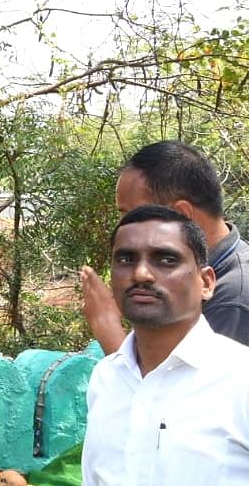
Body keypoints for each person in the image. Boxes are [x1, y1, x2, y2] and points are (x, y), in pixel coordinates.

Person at [78, 204, 249, 486]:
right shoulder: (107, 379)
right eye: (126, 259)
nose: (141, 273)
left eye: (166, 259)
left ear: (206, 283)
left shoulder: (240, 380)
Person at [80, 140, 249, 350]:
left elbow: (181, 382)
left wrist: (106, 324)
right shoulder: (196, 271)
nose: (123, 227)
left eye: (133, 215)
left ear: (181, 215)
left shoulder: (233, 301)